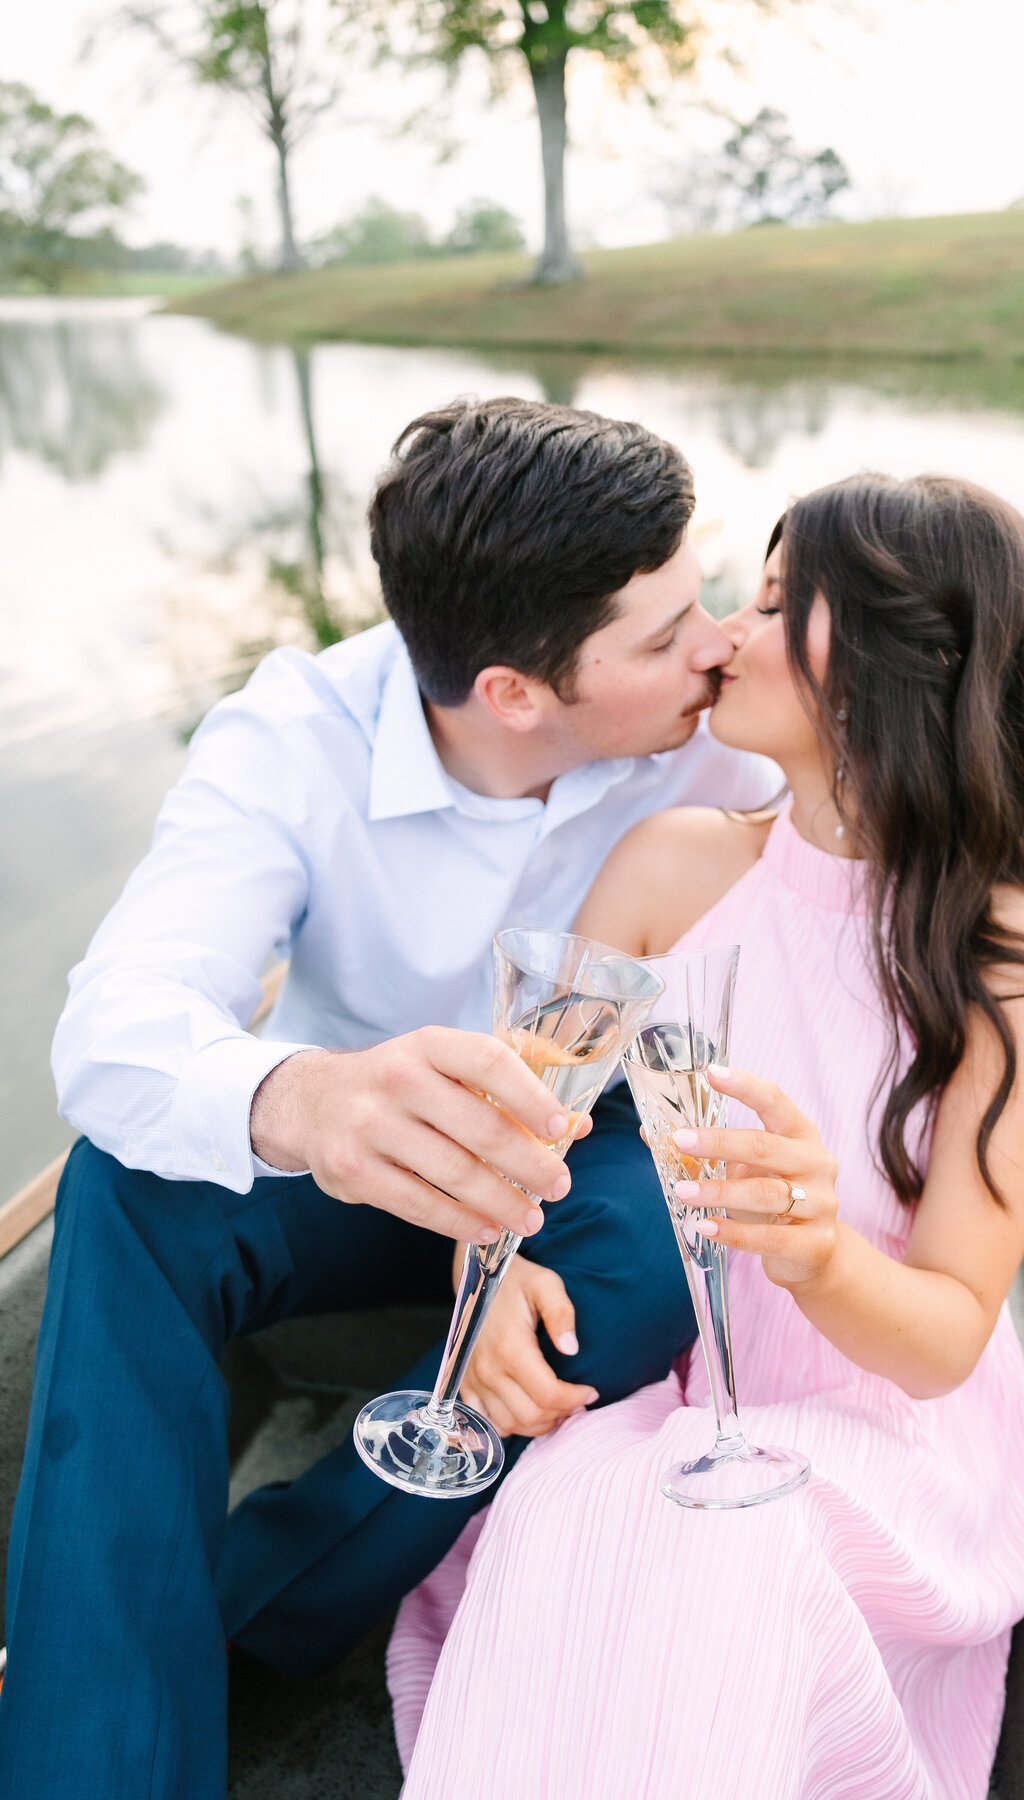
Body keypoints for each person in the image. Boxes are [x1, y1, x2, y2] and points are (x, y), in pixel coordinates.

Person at [0, 397, 780, 1800]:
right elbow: (114, 1027)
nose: (715, 642)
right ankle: (95, 1770)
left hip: (585, 1153)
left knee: (666, 1252)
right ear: (514, 694)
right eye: (665, 633)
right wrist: (305, 1102)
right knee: (121, 1181)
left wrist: (519, 1240)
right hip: (346, 1148)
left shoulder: (729, 727)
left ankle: (237, 1613)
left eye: (705, 599)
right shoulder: (291, 737)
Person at [386, 472, 1024, 1800]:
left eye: (774, 602)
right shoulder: (672, 865)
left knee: (736, 1552)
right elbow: (516, 1121)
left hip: (893, 1432)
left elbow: (946, 1335)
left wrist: (819, 1251)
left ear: (892, 661)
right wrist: (479, 1281)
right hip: (685, 1384)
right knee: (569, 1513)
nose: (723, 636)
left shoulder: (1015, 976)